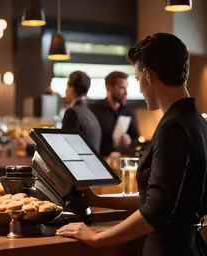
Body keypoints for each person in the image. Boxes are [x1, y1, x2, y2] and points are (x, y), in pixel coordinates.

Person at [56, 33, 207, 256]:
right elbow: (158, 201)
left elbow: (156, 212)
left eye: (137, 81)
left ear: (147, 75)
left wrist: (96, 238)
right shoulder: (198, 122)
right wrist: (96, 199)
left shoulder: (173, 128)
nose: (139, 89)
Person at [90, 71, 139, 157]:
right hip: (100, 160)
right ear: (109, 87)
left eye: (126, 88)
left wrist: (129, 142)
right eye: (121, 88)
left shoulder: (128, 112)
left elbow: (136, 139)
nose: (126, 92)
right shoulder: (94, 110)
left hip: (122, 161)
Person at [62, 71, 102, 152]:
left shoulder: (72, 113)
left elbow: (66, 148)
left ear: (71, 88)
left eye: (67, 87)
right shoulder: (90, 113)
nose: (65, 92)